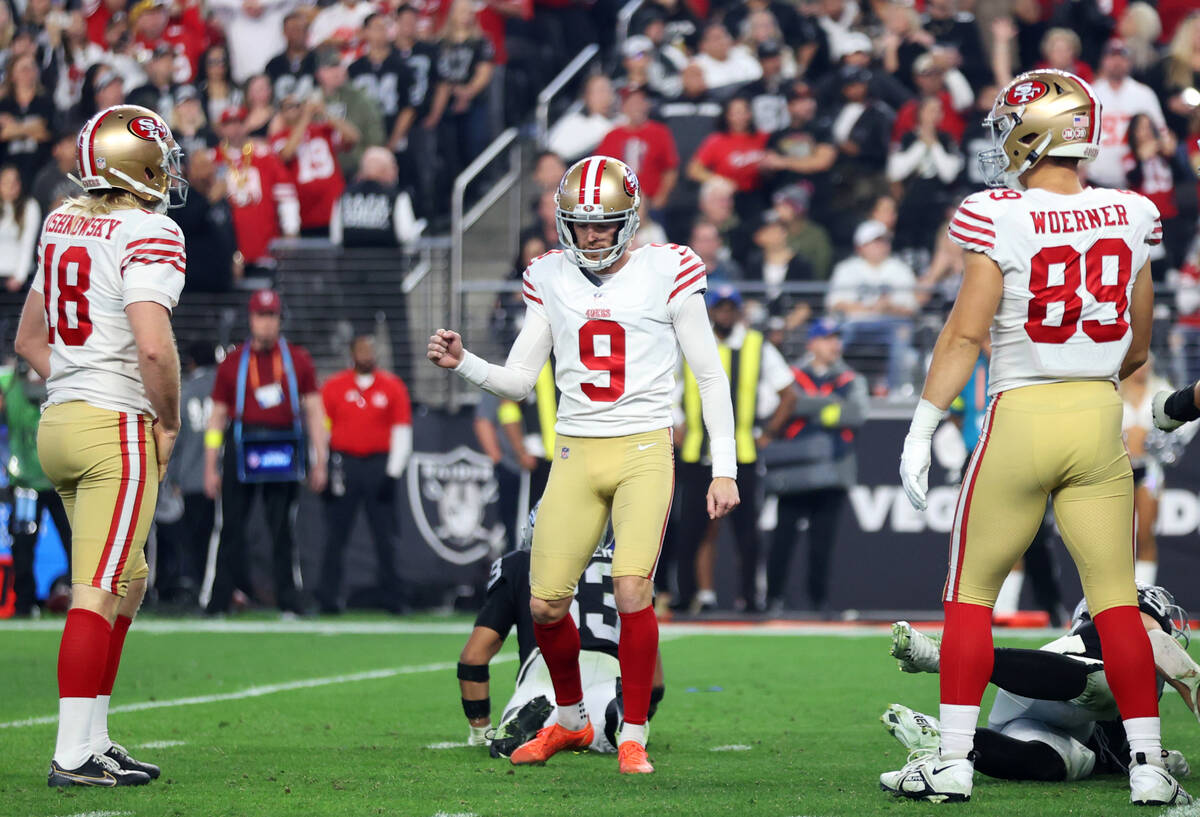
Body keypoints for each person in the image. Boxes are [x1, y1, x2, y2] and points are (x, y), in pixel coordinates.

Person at [889, 69, 1186, 806]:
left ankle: (953, 759)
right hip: (1097, 416)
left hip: (1021, 412)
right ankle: (1147, 763)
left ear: (1033, 132)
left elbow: (965, 333)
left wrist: (923, 423)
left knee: (970, 597)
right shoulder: (1130, 211)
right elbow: (1140, 345)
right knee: (1116, 600)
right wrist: (1087, 371)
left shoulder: (1000, 214)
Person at [428, 155, 740, 774]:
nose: (591, 235)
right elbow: (520, 381)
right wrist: (465, 362)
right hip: (574, 449)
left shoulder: (668, 268)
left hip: (643, 447)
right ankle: (569, 720)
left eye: (604, 224)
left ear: (630, 220)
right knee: (545, 605)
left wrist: (724, 466)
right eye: (579, 224)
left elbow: (709, 374)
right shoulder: (549, 276)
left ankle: (635, 734)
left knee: (632, 588)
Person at [14, 103, 187, 786]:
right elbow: (152, 346)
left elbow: (29, 339)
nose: (169, 169)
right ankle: (71, 753)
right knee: (97, 588)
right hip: (113, 427)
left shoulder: (61, 220)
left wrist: (78, 383)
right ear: (136, 163)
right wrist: (167, 419)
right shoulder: (151, 228)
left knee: (129, 579)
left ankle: (95, 736)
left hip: (58, 423)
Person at [884, 584, 1196, 784]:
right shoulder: (1108, 628)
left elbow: (1112, 749)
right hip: (1051, 684)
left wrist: (1157, 758)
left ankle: (942, 738)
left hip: (1033, 710)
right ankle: (946, 658)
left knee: (1051, 764)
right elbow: (1151, 635)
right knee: (1106, 685)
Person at [458, 503, 665, 756]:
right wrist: (644, 711)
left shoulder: (519, 563)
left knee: (530, 711)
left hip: (546, 669)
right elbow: (653, 675)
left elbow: (474, 657)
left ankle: (533, 717)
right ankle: (618, 717)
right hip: (609, 671)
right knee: (606, 723)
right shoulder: (629, 568)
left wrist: (479, 733)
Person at [203, 289, 328, 616]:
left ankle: (289, 599)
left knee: (282, 529)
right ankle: (220, 600)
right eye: (261, 315)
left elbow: (314, 411)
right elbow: (216, 418)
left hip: (283, 444)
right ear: (251, 318)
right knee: (231, 526)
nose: (267, 323)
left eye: (272, 316)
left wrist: (320, 460)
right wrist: (210, 465)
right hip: (242, 440)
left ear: (279, 320)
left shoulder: (298, 361)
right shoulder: (233, 362)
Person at [672, 284, 795, 613]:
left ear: (739, 312)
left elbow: (788, 392)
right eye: (720, 308)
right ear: (712, 311)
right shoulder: (692, 341)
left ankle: (750, 599)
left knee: (747, 534)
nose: (725, 313)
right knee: (691, 530)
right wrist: (676, 421)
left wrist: (768, 432)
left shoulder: (757, 346)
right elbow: (666, 385)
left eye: (730, 308)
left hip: (742, 453)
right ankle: (689, 596)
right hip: (697, 452)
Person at [763, 318, 866, 614]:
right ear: (811, 343)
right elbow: (782, 405)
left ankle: (819, 604)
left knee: (822, 544)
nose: (834, 344)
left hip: (833, 472)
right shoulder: (791, 375)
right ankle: (773, 600)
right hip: (793, 471)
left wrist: (810, 410)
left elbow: (857, 414)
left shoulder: (851, 378)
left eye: (836, 337)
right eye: (827, 337)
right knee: (782, 539)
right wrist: (830, 407)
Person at [317, 335, 411, 614]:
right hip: (345, 465)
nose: (367, 355)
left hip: (378, 465)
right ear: (352, 353)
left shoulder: (392, 387)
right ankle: (328, 597)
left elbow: (402, 431)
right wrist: (321, 465)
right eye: (362, 350)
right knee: (336, 534)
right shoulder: (334, 387)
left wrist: (393, 472)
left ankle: (393, 598)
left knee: (385, 537)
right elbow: (322, 431)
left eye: (371, 350)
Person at [1, 360, 72, 617]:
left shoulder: (66, 383)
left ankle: (84, 601)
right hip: (26, 485)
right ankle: (24, 603)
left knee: (76, 542)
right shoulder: (8, 384)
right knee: (22, 546)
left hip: (61, 481)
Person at [155, 341, 218, 607]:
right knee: (217, 539)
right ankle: (213, 589)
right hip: (222, 476)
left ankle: (189, 587)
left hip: (190, 479)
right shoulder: (224, 388)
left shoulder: (185, 391)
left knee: (191, 540)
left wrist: (174, 477)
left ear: (191, 363)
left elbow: (174, 438)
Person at [269, 93, 355, 237]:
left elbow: (353, 137)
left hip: (333, 208)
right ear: (282, 113)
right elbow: (287, 153)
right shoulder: (279, 137)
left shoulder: (322, 130)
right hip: (306, 212)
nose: (296, 109)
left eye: (298, 105)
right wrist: (306, 117)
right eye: (290, 107)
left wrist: (325, 112)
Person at [1121, 360, 1171, 588]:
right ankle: (1120, 594)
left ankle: (1144, 592)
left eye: (1147, 363)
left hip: (1149, 472)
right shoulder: (1113, 390)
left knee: (1145, 534)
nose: (1142, 367)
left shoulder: (1161, 390)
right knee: (1120, 537)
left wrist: (1151, 441)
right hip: (1119, 471)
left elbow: (1182, 428)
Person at [330, 146, 425, 248]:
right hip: (388, 262)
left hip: (350, 263)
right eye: (393, 166)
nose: (396, 171)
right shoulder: (398, 198)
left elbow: (336, 238)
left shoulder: (344, 196)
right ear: (384, 170)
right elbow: (406, 236)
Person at [0, 164, 39, 290]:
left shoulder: (30, 206)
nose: (11, 187)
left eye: (15, 182)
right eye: (6, 182)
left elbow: (27, 243)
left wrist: (19, 276)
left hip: (18, 277)